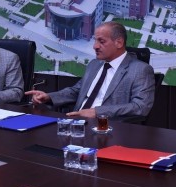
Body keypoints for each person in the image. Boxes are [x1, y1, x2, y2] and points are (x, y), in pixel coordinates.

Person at [26, 21, 155, 119]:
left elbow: (140, 107)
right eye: (95, 41)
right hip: (75, 121)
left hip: (107, 127)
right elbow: (77, 91)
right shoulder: (94, 64)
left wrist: (97, 112)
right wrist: (49, 97)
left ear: (119, 43)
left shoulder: (140, 70)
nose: (95, 46)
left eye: (101, 41)